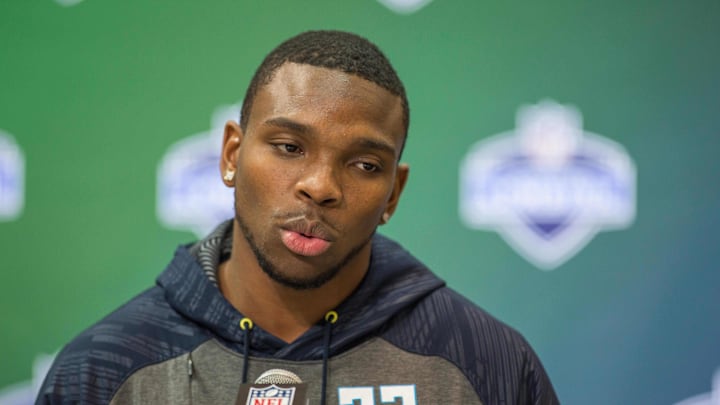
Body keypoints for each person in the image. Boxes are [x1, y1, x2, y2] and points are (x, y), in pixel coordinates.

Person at [36, 30, 559, 405]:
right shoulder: (107, 371)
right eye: (289, 147)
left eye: (363, 164)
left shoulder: (486, 363)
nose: (321, 187)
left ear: (393, 193)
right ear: (231, 155)